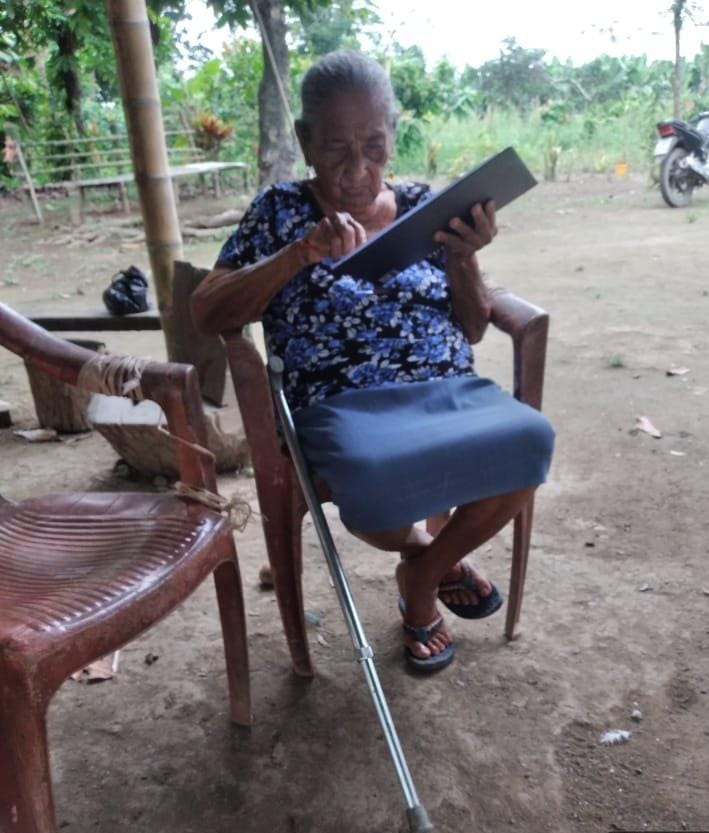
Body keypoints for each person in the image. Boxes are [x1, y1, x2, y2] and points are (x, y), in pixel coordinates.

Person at [192, 50, 554, 673]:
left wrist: (463, 254)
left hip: (449, 391)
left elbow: (472, 327)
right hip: (345, 406)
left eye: (373, 145)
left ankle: (422, 577)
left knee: (529, 440)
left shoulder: (424, 205)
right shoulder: (279, 212)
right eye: (336, 147)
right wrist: (298, 255)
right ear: (305, 142)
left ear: (393, 134)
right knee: (370, 475)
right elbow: (206, 311)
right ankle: (427, 556)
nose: (357, 168)